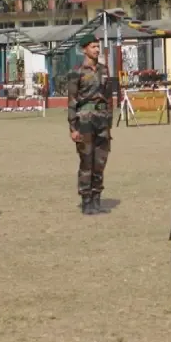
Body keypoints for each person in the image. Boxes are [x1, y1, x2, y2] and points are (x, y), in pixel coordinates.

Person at [66, 34, 113, 215]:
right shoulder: (76, 72)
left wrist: (108, 122)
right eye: (93, 47)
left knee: (100, 161)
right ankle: (86, 200)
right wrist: (73, 127)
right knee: (87, 161)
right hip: (84, 121)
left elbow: (108, 98)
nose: (97, 50)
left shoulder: (104, 70)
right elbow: (71, 101)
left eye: (97, 46)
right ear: (84, 49)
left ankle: (96, 198)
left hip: (102, 121)